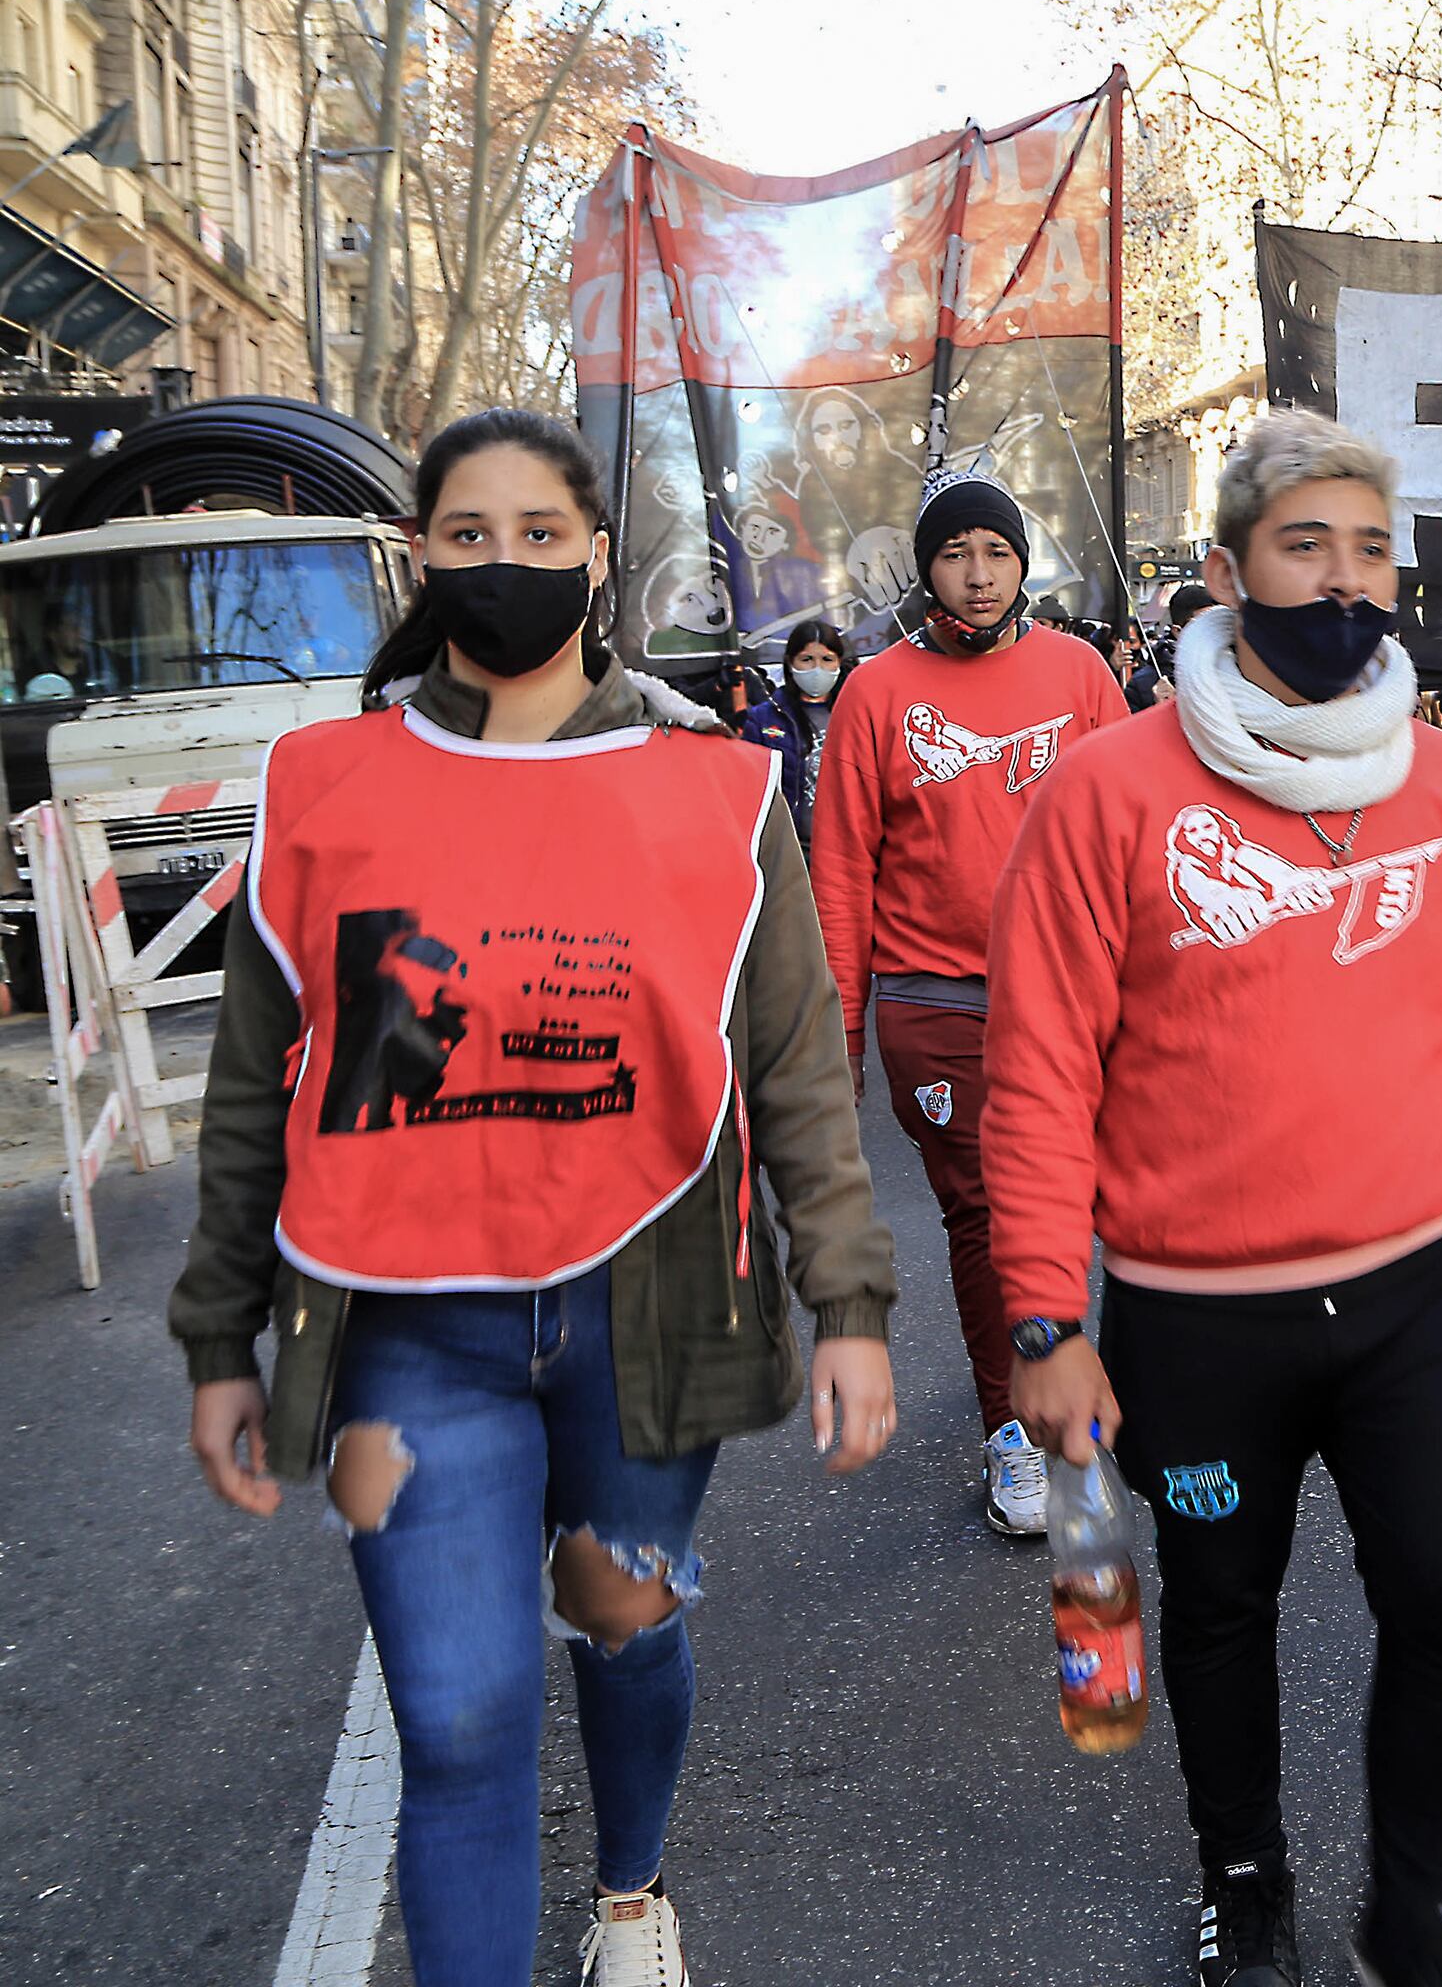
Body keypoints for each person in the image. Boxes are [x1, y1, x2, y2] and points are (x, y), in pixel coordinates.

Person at [170, 409, 898, 1987]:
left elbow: (793, 1074)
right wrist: (218, 1333)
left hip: (652, 1311)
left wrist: (847, 1302)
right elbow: (249, 1088)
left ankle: (631, 1897)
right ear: (421, 558)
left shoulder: (716, 792)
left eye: (541, 535)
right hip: (402, 1333)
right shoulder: (321, 786)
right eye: (468, 535)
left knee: (625, 1628)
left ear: (594, 564)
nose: (505, 563)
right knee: (460, 1721)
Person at [986, 408, 1442, 1987]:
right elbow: (1037, 1074)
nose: (1344, 578)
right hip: (1195, 1322)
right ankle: (1245, 1884)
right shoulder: (1108, 792)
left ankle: (1411, 1901)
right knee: (1222, 1614)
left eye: (1372, 547)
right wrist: (1046, 1318)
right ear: (1233, 567)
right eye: (1305, 543)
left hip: (1422, 1298)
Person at [810, 466, 1127, 1537]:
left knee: (1090, 1200)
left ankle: (1070, 1363)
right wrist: (840, 1036)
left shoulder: (1082, 674)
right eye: (956, 552)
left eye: (997, 551)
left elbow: (1138, 828)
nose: (979, 574)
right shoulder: (874, 692)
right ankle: (1017, 1431)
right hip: (934, 1000)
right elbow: (843, 874)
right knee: (987, 1214)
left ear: (1022, 561)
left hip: (1076, 990)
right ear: (926, 564)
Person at [739, 620, 852, 848]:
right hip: (792, 849)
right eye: (807, 659)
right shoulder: (764, 717)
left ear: (839, 662)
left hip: (845, 846)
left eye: (827, 660)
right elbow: (747, 788)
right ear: (791, 662)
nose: (817, 668)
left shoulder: (855, 712)